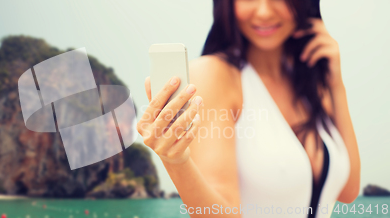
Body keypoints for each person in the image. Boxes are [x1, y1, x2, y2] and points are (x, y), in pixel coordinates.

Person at [137, 0, 360, 217]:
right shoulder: (214, 75)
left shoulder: (311, 83)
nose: (263, 11)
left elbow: (347, 191)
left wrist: (336, 85)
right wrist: (177, 161)